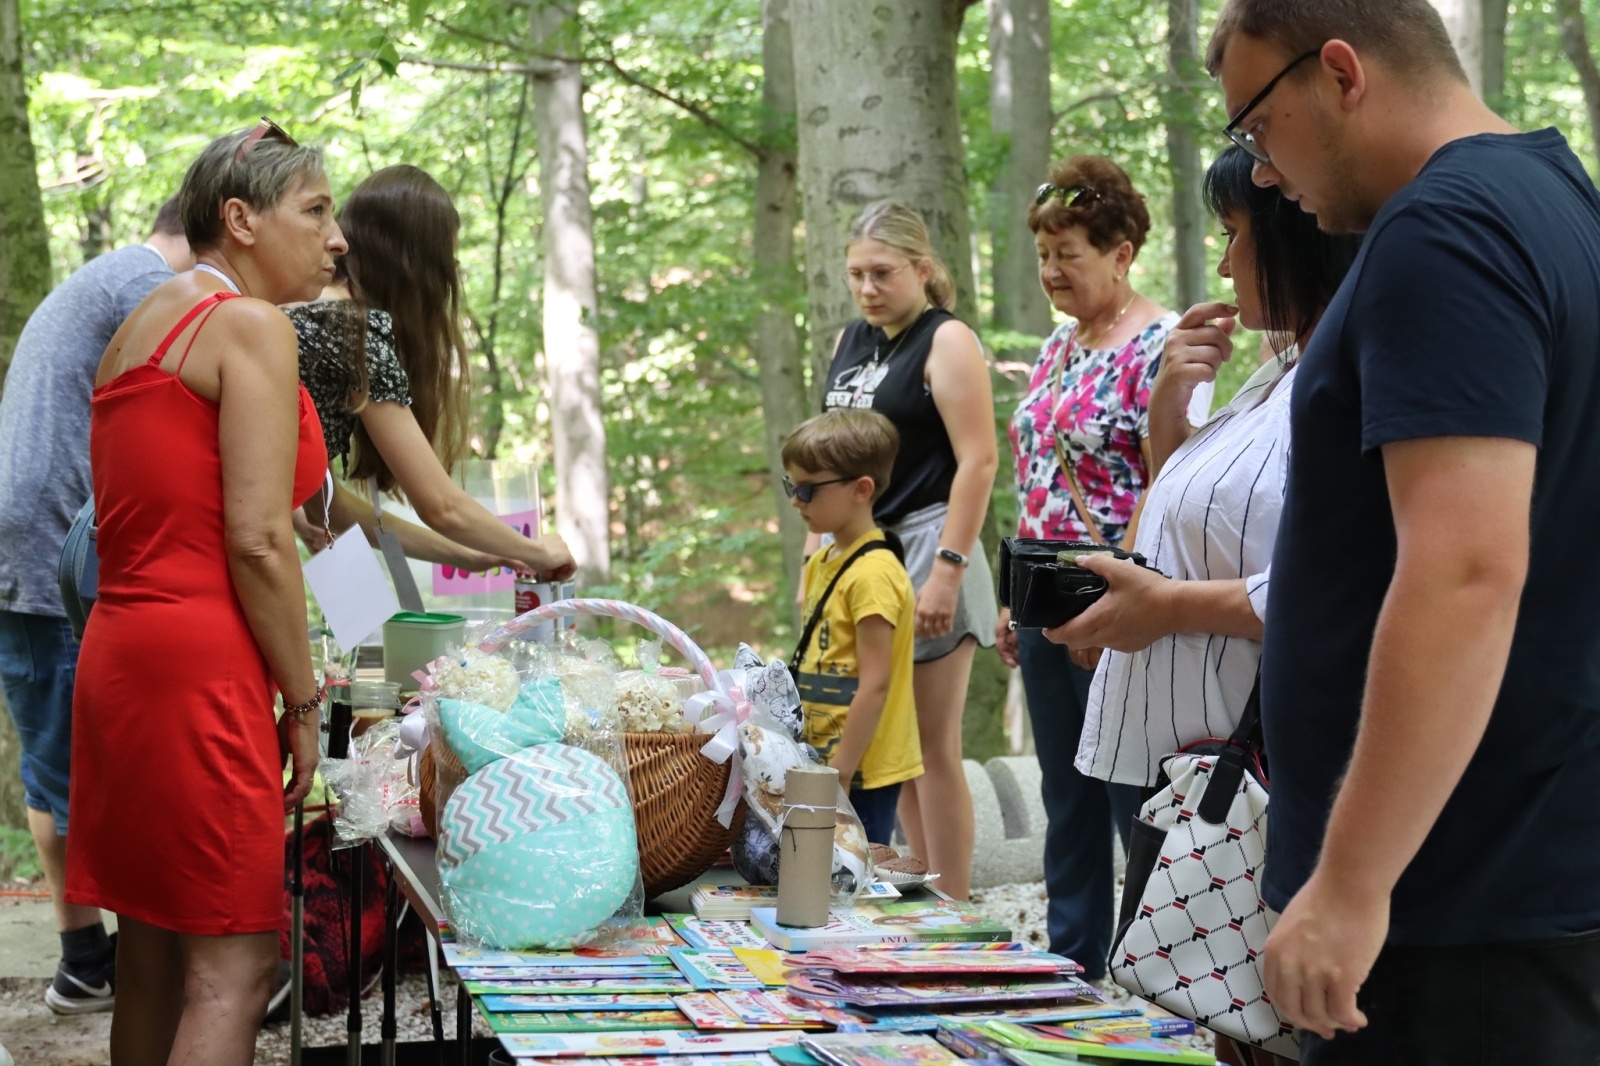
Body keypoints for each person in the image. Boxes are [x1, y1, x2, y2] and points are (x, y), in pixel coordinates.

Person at [1207, 2, 1600, 1060]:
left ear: (1339, 72)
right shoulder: (1554, 196)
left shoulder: (1446, 231)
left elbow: (1467, 568)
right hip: (1504, 876)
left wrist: (1350, 882)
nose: (1267, 174)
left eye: (1256, 127)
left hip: (1458, 906)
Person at [1053, 146, 1358, 1066]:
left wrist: (1169, 608)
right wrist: (1168, 419)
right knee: (1226, 1018)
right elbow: (1190, 525)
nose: (1223, 265)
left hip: (1266, 766)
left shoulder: (1344, 371)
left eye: (1235, 236)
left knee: (1270, 1017)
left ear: (1299, 236)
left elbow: (1343, 582)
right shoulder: (1274, 371)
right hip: (1191, 760)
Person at [68, 120, 339, 1064]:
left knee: (149, 950)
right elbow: (262, 540)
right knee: (234, 971)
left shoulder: (145, 323)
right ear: (241, 218)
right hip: (200, 669)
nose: (335, 237)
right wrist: (303, 699)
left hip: (121, 659)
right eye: (315, 211)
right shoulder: (247, 325)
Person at [994, 154, 1188, 979]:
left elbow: (1167, 477)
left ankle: (1154, 959)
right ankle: (1073, 959)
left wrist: (1127, 585)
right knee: (1063, 785)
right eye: (1044, 255)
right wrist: (1012, 598)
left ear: (1121, 252)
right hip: (1042, 591)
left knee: (1125, 782)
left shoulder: (1165, 345)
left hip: (1114, 591)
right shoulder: (1057, 349)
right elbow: (1034, 471)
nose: (1051, 272)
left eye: (1068, 253)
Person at [0, 198, 192, 1014]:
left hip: (31, 545)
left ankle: (84, 958)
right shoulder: (149, 286)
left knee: (54, 763)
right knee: (94, 763)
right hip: (49, 552)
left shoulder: (113, 276)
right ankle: (133, 960)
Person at [816, 201, 997, 900]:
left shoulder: (946, 340)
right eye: (856, 274)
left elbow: (978, 460)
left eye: (882, 273)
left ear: (922, 269)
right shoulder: (851, 341)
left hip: (931, 540)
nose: (867, 288)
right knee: (893, 744)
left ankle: (954, 898)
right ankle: (922, 886)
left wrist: (947, 571)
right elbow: (831, 455)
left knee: (931, 745)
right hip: (864, 555)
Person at [287, 165, 574, 579]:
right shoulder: (350, 331)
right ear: (417, 266)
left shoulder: (307, 312)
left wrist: (469, 555)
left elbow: (326, 506)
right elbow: (441, 506)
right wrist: (537, 550)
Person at [785, 409, 923, 846]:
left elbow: (876, 683)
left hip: (861, 768)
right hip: (824, 761)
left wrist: (840, 772)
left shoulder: (873, 574)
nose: (796, 501)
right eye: (791, 486)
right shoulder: (823, 563)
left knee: (856, 879)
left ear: (861, 489)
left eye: (807, 489)